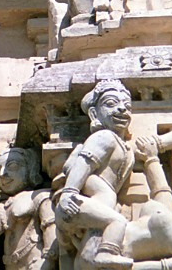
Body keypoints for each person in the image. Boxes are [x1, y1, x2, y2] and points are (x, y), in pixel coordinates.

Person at [54, 79, 134, 269]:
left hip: (98, 209)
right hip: (75, 205)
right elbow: (83, 164)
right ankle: (107, 254)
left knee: (85, 258)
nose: (122, 109)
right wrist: (69, 192)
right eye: (111, 104)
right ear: (94, 113)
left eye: (127, 105)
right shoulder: (104, 137)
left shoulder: (125, 147)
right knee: (117, 223)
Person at [0, 147, 56, 270]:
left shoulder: (40, 197)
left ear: (30, 169)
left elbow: (50, 228)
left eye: (12, 166)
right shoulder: (2, 205)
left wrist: (49, 259)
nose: (2, 174)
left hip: (35, 262)